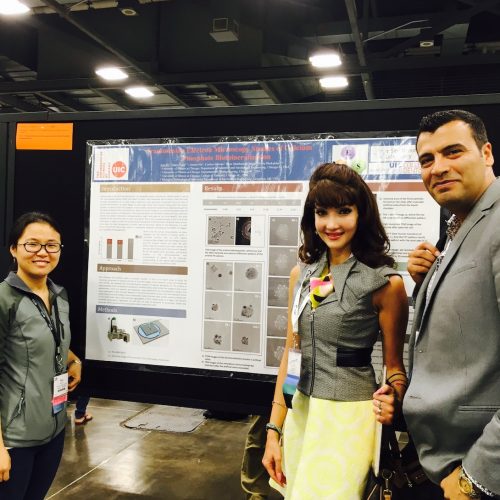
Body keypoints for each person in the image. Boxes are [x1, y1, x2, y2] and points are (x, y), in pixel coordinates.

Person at [262, 163, 408, 499]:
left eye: (343, 211)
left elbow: (395, 369)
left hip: (349, 418)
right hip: (302, 411)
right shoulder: (306, 275)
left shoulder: (383, 283)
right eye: (322, 212)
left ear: (361, 214)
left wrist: (394, 397)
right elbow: (293, 354)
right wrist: (274, 429)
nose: (331, 223)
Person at [405, 109, 500, 499]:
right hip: (442, 458)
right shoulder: (464, 222)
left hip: (475, 468)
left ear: (487, 153)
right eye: (427, 159)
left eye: (453, 152)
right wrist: (426, 283)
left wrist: (475, 477)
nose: (438, 168)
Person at [0, 212, 82, 499]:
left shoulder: (59, 295)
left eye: (51, 245)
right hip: (14, 437)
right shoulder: (4, 299)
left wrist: (74, 360)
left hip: (54, 429)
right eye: (32, 244)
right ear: (14, 249)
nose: (42, 253)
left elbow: (50, 341)